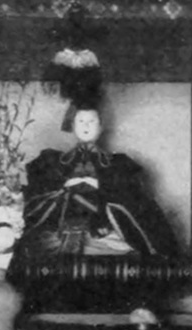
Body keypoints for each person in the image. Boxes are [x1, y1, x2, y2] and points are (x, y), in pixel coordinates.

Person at [22, 104, 180, 260]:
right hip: (62, 230)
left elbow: (135, 200)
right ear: (73, 126)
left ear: (101, 127)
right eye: (81, 121)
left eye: (92, 121)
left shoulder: (119, 163)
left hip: (105, 233)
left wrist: (100, 185)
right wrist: (65, 187)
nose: (86, 126)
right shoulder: (52, 161)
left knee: (119, 248)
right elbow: (37, 197)